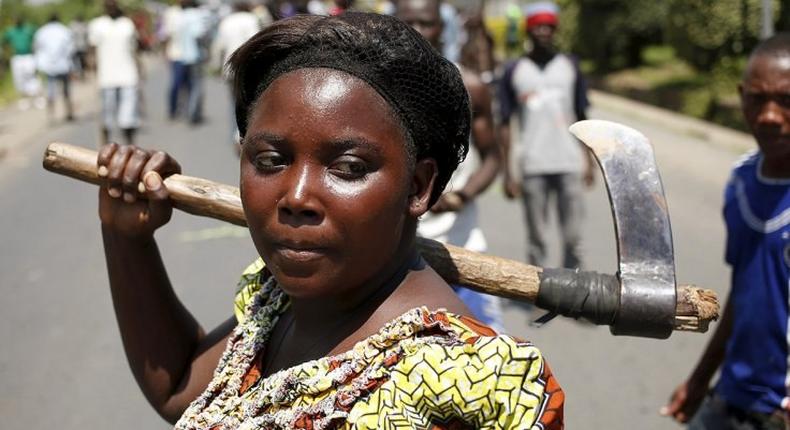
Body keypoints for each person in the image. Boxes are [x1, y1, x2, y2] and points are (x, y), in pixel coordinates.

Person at [95, 13, 563, 428]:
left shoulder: (458, 381)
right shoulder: (278, 305)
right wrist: (126, 238)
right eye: (270, 159)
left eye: (349, 168)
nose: (296, 197)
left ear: (418, 187)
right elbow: (182, 390)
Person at [662, 33, 790, 430]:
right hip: (733, 395)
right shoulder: (740, 181)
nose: (769, 115)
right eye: (757, 98)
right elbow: (746, 289)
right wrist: (700, 379)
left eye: (786, 99)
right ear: (741, 96)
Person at [397, 0, 504, 332]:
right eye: (408, 22)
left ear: (442, 26)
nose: (417, 31)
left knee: (490, 364)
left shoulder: (469, 87)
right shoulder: (370, 86)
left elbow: (493, 158)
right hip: (391, 258)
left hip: (460, 250)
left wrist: (460, 195)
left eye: (426, 22)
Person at [498, 1, 594, 269]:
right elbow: (504, 123)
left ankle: (576, 293)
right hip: (532, 166)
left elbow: (582, 113)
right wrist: (508, 171)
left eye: (548, 27)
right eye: (537, 26)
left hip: (569, 163)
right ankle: (539, 296)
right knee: (537, 238)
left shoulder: (570, 67)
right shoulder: (514, 71)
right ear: (529, 31)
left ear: (555, 30)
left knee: (573, 236)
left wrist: (589, 161)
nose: (543, 32)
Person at [89, 0, 142, 146]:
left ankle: (131, 149)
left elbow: (134, 49)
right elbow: (92, 51)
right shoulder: (97, 25)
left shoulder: (127, 24)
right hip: (106, 76)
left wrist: (139, 69)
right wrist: (91, 69)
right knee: (106, 115)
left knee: (128, 116)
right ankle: (105, 149)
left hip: (128, 75)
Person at [212, 0, 264, 145]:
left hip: (230, 67)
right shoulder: (251, 19)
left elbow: (219, 46)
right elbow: (256, 42)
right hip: (248, 67)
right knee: (250, 101)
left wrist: (216, 66)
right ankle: (244, 134)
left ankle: (235, 134)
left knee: (233, 102)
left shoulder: (226, 21)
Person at [33, 13, 75, 122]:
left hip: (49, 67)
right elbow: (71, 48)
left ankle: (51, 116)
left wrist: (39, 64)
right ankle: (69, 113)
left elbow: (37, 48)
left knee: (50, 91)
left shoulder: (42, 31)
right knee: (66, 91)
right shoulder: (64, 30)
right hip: (63, 65)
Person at [2, 18, 42, 110]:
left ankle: (38, 98)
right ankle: (24, 99)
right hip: (17, 57)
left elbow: (37, 37)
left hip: (29, 56)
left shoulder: (28, 29)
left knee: (33, 76)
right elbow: (3, 41)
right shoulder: (10, 31)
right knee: (19, 79)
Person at [70, 15, 90, 80]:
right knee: (78, 61)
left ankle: (81, 74)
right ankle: (79, 74)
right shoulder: (83, 25)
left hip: (80, 47)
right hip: (79, 47)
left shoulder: (74, 25)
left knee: (80, 61)